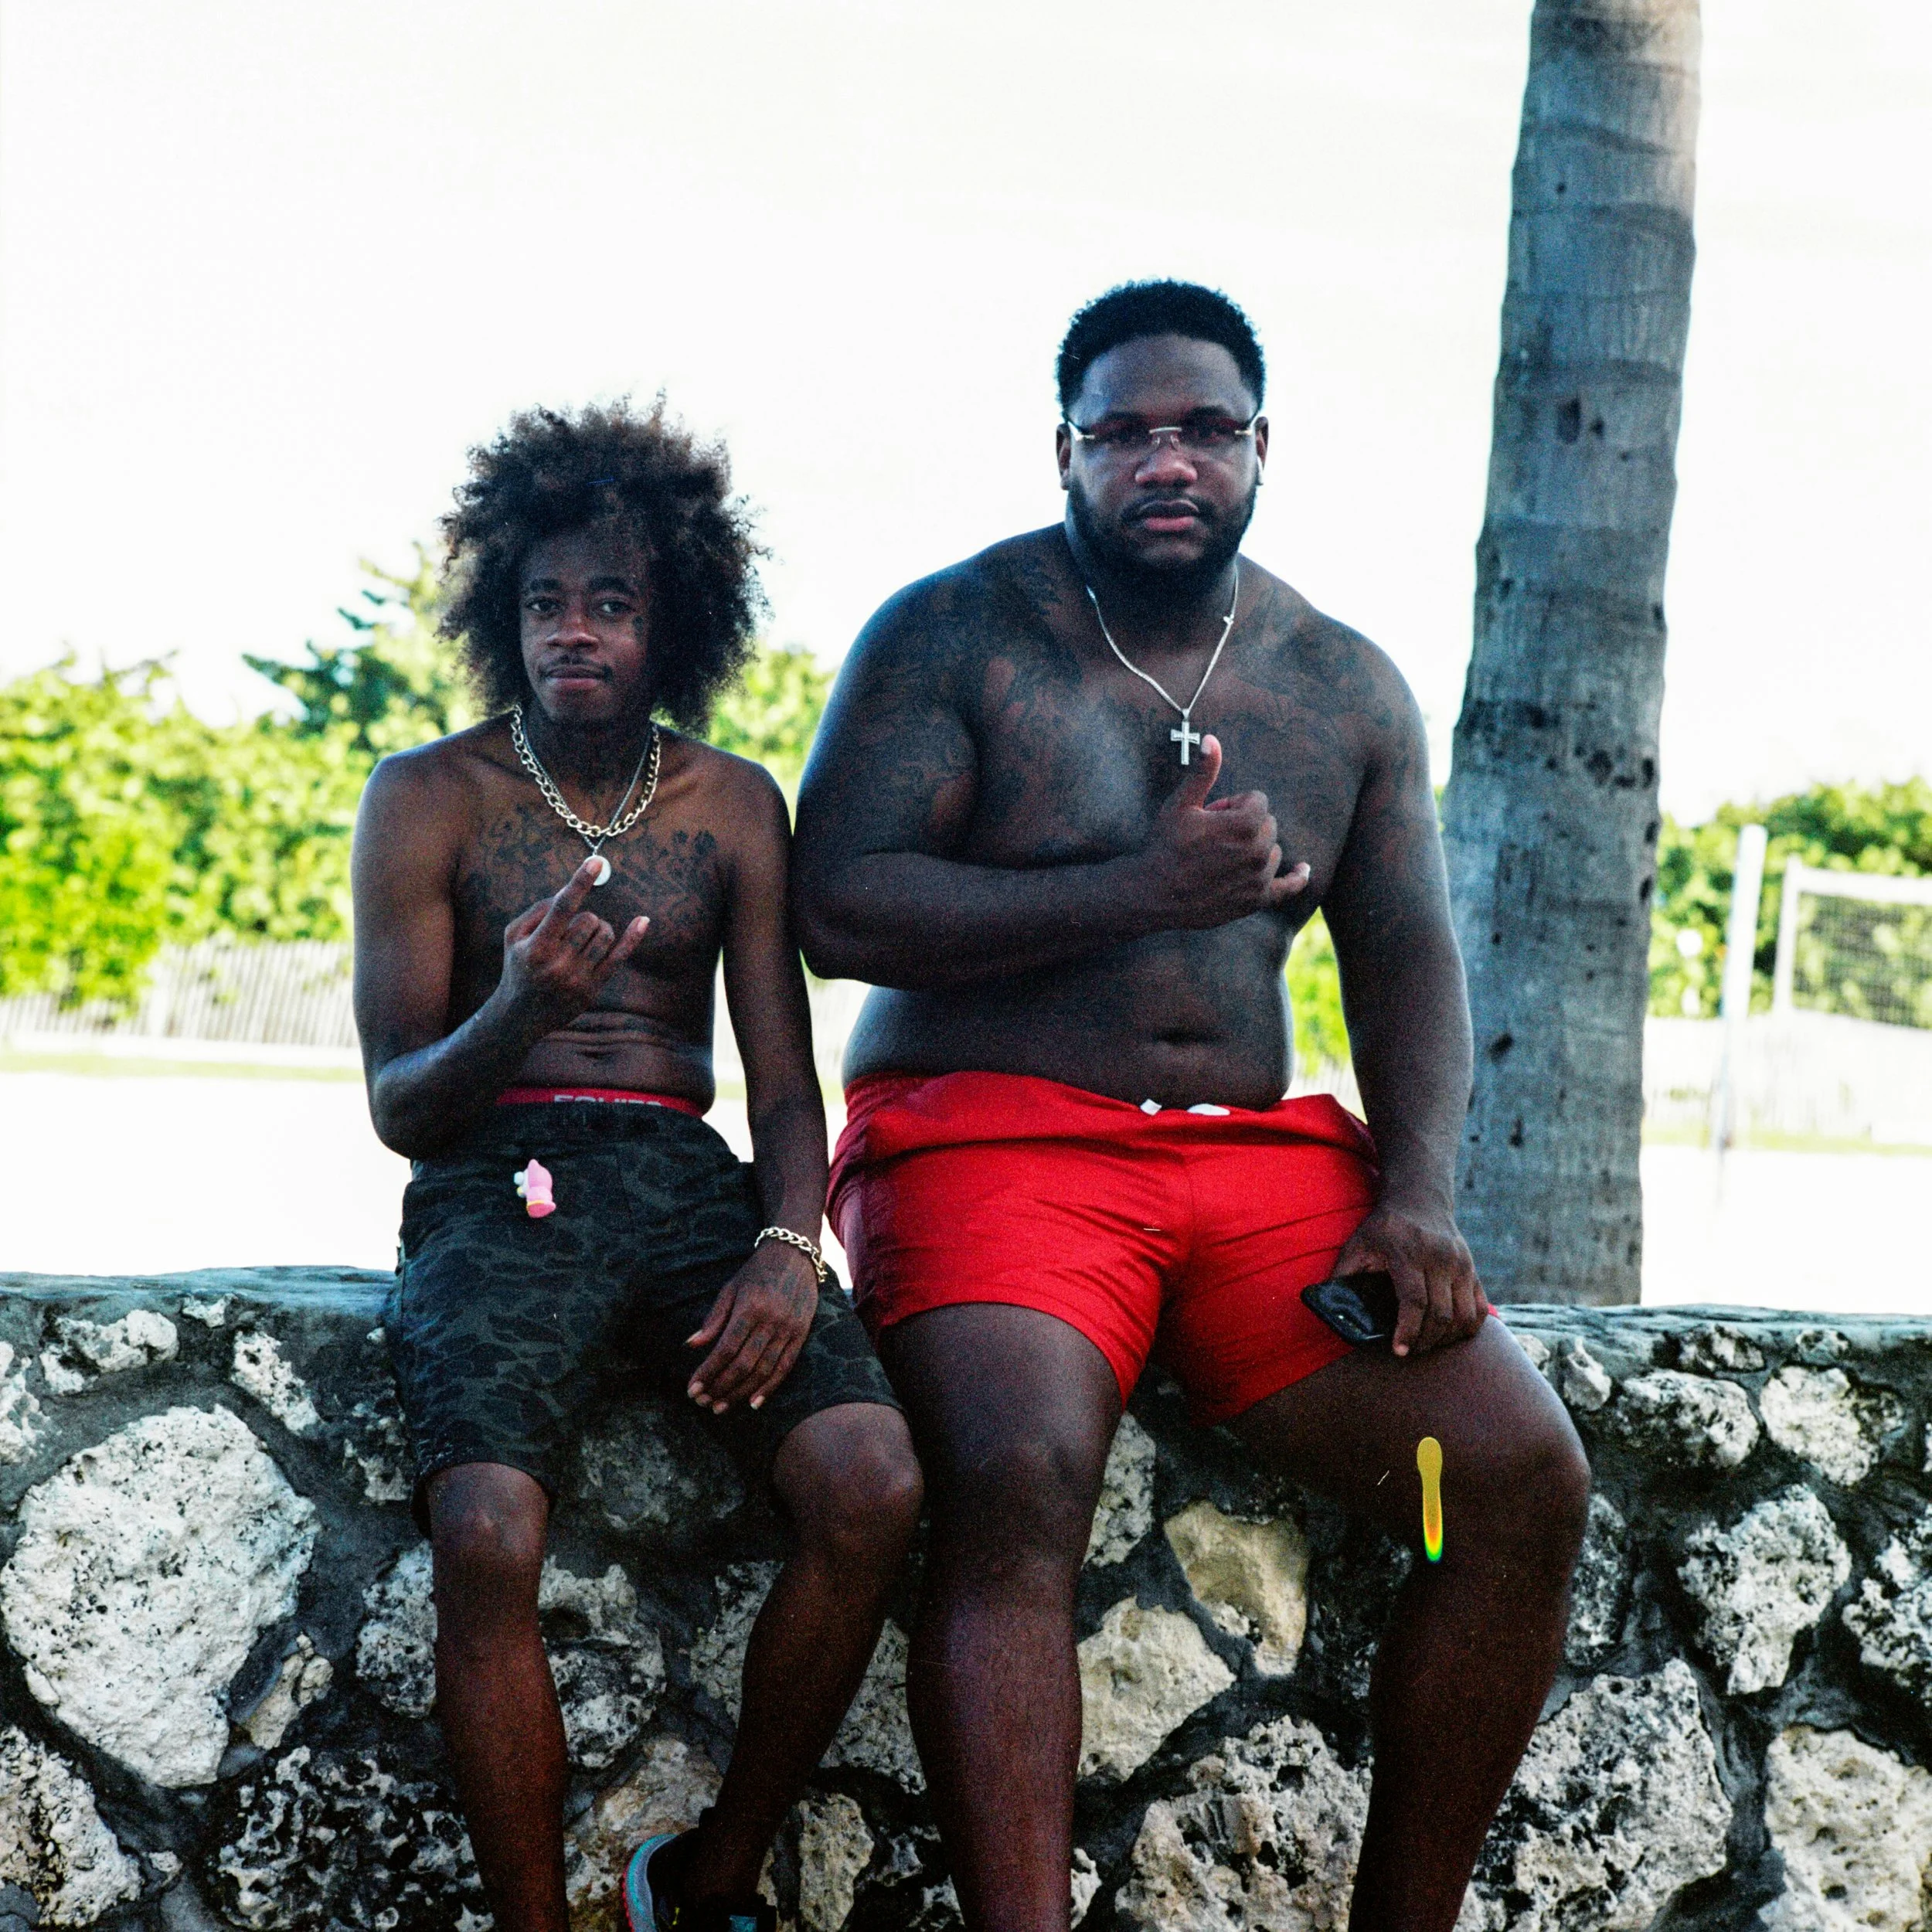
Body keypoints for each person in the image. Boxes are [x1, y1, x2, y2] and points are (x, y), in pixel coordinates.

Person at [791, 282, 1590, 1932]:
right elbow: (836, 906)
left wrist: (1418, 1193)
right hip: (986, 1129)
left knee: (1516, 1478)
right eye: (1126, 431)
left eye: (1203, 428)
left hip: (1245, 1161)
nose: (1168, 458)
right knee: (1014, 1470)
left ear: (1258, 446)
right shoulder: (956, 634)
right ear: (1066, 450)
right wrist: (1137, 883)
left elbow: (1403, 961)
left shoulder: (1341, 685)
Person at [352, 400, 921, 1932]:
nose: (572, 632)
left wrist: (786, 1250)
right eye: (544, 602)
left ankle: (712, 1874)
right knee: (483, 1531)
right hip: (493, 1180)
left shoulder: (731, 802)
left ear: (674, 618)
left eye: (609, 601)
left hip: (686, 1183)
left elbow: (788, 1085)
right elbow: (402, 1101)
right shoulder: (427, 796)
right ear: (501, 614)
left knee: (871, 1484)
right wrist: (520, 1004)